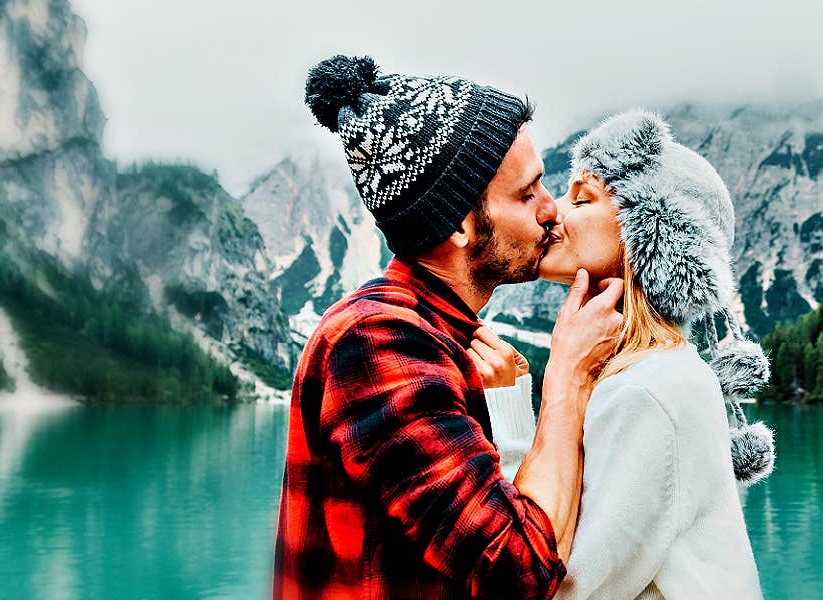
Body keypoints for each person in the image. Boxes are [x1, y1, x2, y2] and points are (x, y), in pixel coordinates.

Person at [273, 55, 624, 599]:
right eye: (527, 193)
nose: (552, 210)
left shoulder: (435, 336)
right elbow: (520, 571)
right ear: (459, 224)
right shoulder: (377, 343)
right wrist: (567, 380)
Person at [470, 110, 775, 599]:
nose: (554, 213)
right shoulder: (652, 373)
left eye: (582, 198)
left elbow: (560, 587)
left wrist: (510, 415)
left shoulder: (648, 390)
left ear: (649, 236)